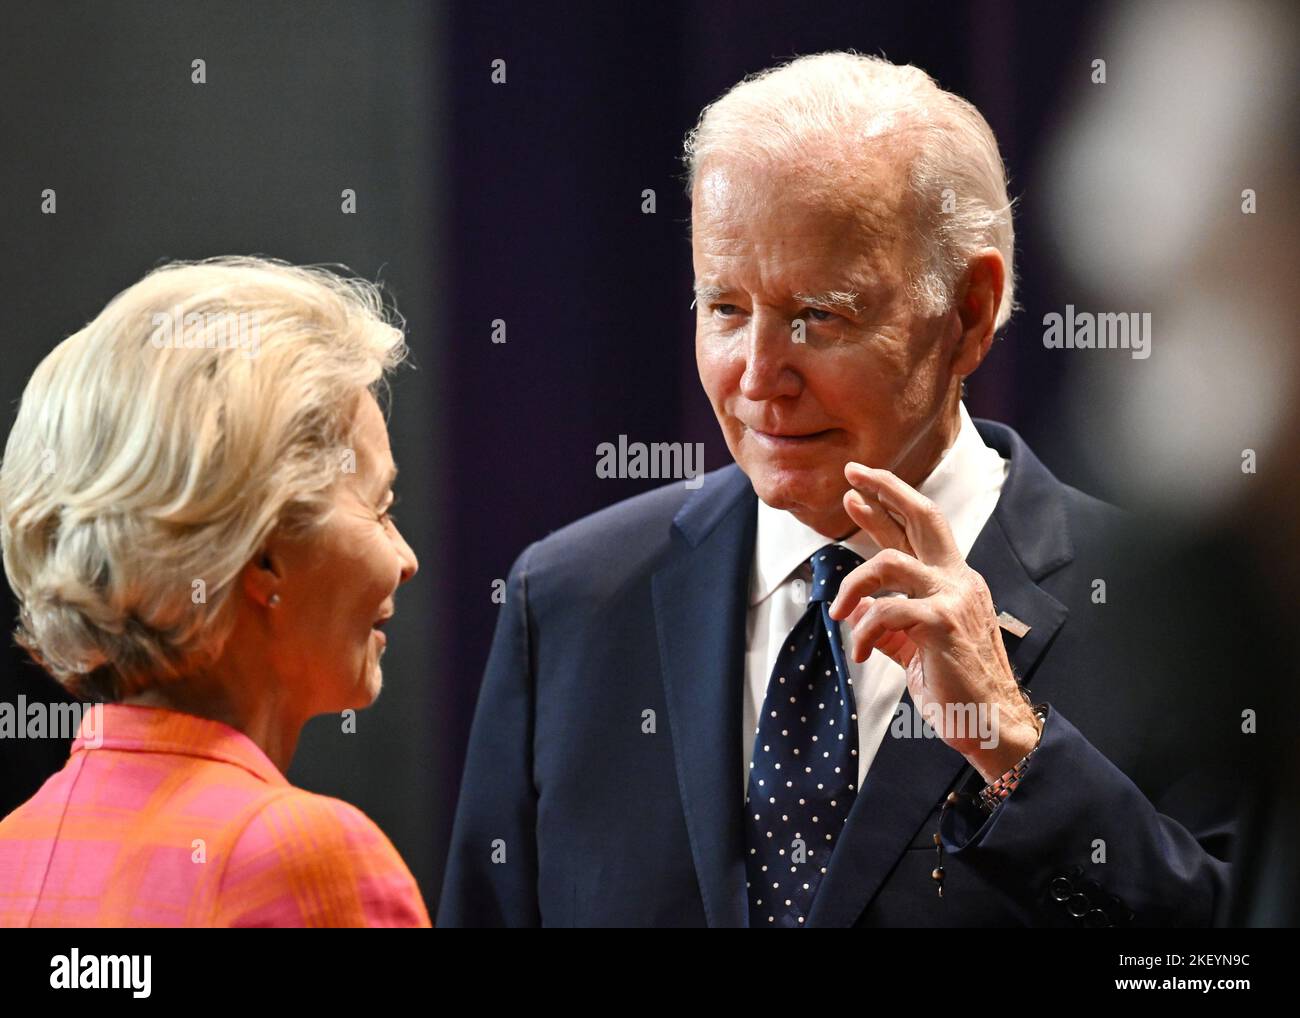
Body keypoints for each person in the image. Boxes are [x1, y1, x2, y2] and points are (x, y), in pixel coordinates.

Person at [437, 52, 1236, 927]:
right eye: (726, 309)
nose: (759, 377)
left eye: (820, 314)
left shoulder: (1183, 615)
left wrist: (1014, 746)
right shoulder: (570, 602)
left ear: (969, 312)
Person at [0, 256, 429, 927]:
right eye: (380, 506)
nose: (405, 559)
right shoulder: (306, 858)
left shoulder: (14, 851)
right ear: (262, 556)